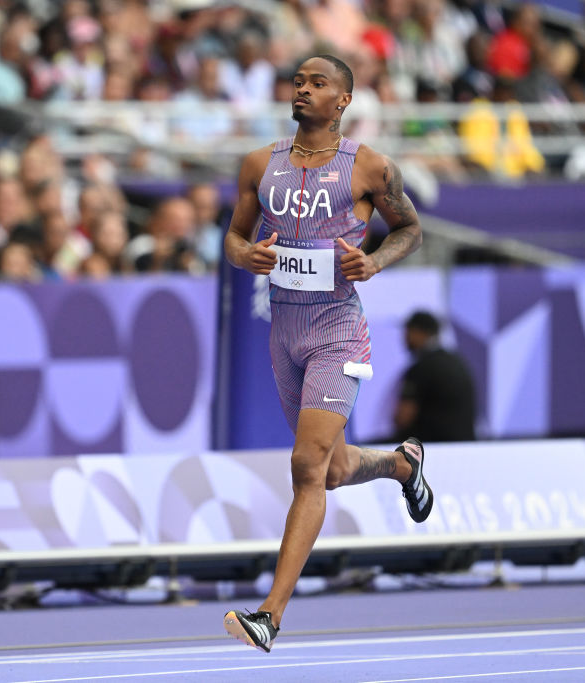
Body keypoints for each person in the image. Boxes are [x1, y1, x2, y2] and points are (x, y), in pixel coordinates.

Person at [221, 54, 431, 653]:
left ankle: (270, 614)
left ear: (343, 100)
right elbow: (233, 239)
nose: (304, 90)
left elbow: (411, 230)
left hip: (338, 329)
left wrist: (374, 262)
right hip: (283, 330)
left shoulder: (368, 167)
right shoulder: (260, 164)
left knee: (306, 468)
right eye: (298, 82)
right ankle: (403, 465)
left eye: (318, 84)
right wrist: (246, 256)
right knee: (333, 470)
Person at [394, 311, 476, 442]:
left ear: (420, 333)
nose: (405, 337)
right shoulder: (457, 361)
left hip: (430, 446)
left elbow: (403, 418)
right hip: (464, 444)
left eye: (408, 331)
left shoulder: (421, 368)